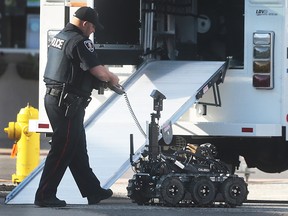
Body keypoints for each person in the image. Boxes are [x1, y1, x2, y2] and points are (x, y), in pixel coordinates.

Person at [34, 6, 120, 207]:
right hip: (67, 103)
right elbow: (98, 72)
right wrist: (112, 78)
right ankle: (44, 195)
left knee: (77, 147)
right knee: (63, 147)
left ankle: (93, 190)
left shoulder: (60, 37)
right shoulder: (80, 42)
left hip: (57, 100)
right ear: (84, 23)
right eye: (92, 27)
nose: (93, 30)